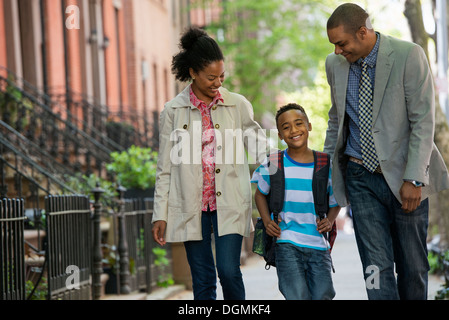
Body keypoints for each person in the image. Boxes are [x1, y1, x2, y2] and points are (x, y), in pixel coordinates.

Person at [323, 3, 449, 300]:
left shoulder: (408, 55)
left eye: (342, 43)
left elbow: (422, 121)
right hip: (359, 177)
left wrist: (414, 178)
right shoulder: (334, 64)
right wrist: (325, 176)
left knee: (413, 268)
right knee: (375, 269)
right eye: (334, 46)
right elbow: (336, 121)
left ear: (363, 32)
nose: (338, 51)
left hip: (405, 177)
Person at [151, 26, 266, 300]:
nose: (218, 83)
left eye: (221, 76)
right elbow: (165, 166)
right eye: (210, 77)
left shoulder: (237, 105)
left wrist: (281, 175)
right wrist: (160, 213)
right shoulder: (172, 111)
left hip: (230, 201)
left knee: (228, 270)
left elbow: (261, 148)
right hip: (191, 204)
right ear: (192, 72)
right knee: (202, 279)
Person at [251, 103, 340, 300]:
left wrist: (331, 220)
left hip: (318, 243)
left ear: (308, 126)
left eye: (298, 123)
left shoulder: (325, 164)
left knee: (323, 294)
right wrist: (266, 221)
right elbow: (260, 193)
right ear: (281, 135)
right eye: (286, 127)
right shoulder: (274, 162)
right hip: (286, 241)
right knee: (296, 295)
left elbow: (337, 200)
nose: (293, 130)